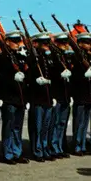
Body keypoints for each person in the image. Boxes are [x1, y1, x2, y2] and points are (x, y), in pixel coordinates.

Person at [0, 31, 29, 164]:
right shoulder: (2, 58)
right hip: (9, 97)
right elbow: (0, 78)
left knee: (17, 127)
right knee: (8, 127)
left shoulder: (20, 57)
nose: (16, 44)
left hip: (20, 98)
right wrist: (11, 78)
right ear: (7, 42)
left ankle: (17, 152)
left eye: (18, 41)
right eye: (14, 41)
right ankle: (8, 153)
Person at [27, 33, 56, 161]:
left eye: (47, 43)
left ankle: (44, 149)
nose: (46, 45)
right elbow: (27, 78)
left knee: (45, 127)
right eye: (43, 43)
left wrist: (53, 95)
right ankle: (37, 151)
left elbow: (54, 78)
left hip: (48, 98)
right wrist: (35, 80)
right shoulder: (32, 58)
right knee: (37, 127)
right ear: (36, 44)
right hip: (37, 98)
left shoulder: (47, 58)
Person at [69, 32, 91, 155]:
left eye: (89, 42)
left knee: (85, 123)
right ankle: (77, 146)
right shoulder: (75, 57)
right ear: (79, 43)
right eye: (86, 42)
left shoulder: (90, 57)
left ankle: (83, 145)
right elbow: (73, 77)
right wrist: (83, 76)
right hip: (80, 95)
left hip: (89, 95)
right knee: (79, 123)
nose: (89, 45)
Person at [47, 32, 72, 159]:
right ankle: (52, 147)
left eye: (66, 43)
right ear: (56, 43)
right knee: (55, 123)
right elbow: (51, 76)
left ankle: (59, 146)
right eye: (62, 43)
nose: (65, 45)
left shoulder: (65, 57)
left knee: (62, 123)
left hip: (66, 95)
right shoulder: (52, 56)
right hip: (57, 94)